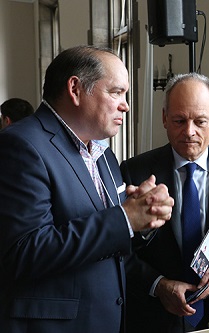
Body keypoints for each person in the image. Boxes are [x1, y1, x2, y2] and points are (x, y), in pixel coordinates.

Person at [0, 45, 175, 333]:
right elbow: (24, 251)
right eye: (116, 92)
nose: (126, 105)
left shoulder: (103, 154)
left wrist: (142, 220)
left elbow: (109, 240)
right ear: (75, 89)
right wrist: (124, 219)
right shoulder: (20, 145)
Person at [120, 72, 209, 332]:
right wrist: (158, 284)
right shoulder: (134, 172)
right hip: (153, 317)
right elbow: (119, 249)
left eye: (200, 121)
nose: (189, 132)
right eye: (179, 120)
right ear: (164, 118)